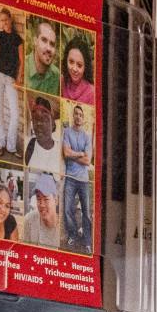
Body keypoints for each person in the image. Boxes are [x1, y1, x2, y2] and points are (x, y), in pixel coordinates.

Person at [0, 7, 23, 155]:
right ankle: (1, 143)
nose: (4, 23)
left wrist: (19, 77)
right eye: (2, 20)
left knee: (15, 113)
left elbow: (21, 60)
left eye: (6, 19)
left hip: (10, 78)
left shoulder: (17, 39)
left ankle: (11, 146)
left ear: (10, 19)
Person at [61, 104, 94, 253]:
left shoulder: (87, 137)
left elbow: (87, 161)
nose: (78, 117)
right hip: (70, 177)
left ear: (83, 118)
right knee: (68, 209)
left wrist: (73, 154)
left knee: (86, 212)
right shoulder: (67, 132)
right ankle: (73, 235)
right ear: (73, 115)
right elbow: (65, 153)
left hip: (83, 180)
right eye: (76, 114)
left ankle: (87, 241)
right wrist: (80, 153)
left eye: (81, 115)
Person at [21, 174, 64, 249]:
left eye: (46, 199)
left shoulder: (64, 228)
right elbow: (24, 250)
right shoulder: (29, 220)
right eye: (38, 199)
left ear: (56, 200)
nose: (42, 205)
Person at [26, 19, 61, 95]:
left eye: (52, 44)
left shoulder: (56, 75)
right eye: (44, 40)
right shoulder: (23, 67)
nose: (48, 48)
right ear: (35, 41)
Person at [60, 38, 96, 106]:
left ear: (85, 67)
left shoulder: (91, 93)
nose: (74, 69)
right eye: (71, 62)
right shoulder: (62, 81)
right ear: (66, 61)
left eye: (79, 65)